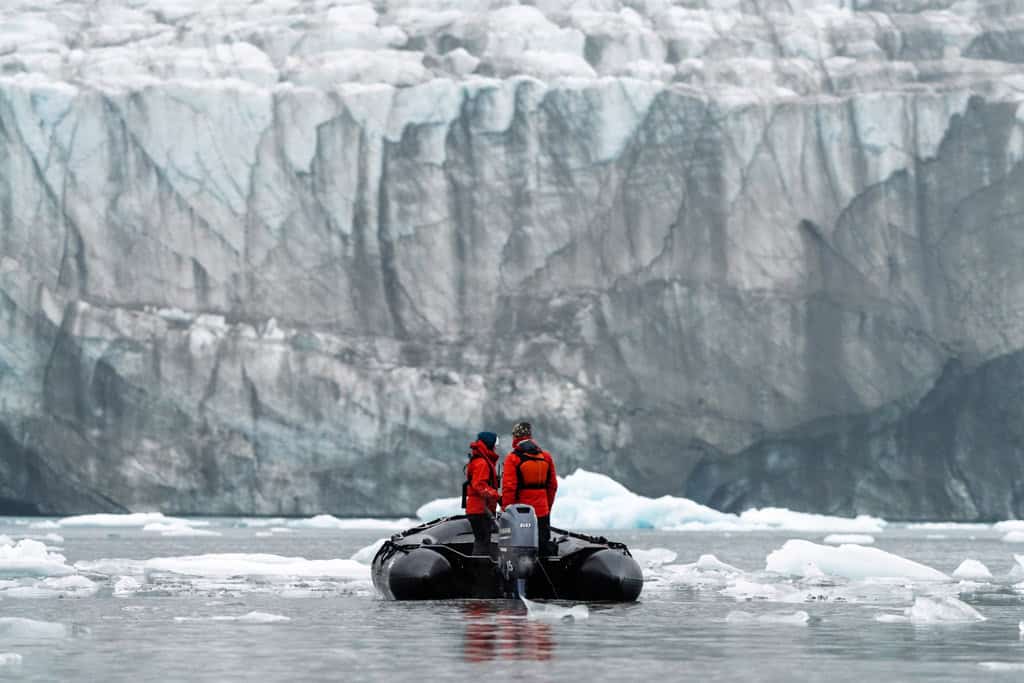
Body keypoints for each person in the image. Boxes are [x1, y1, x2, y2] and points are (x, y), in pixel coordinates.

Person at [500, 421, 558, 554]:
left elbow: (509, 488)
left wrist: (505, 511)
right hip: (542, 511)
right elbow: (552, 486)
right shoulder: (546, 457)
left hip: (521, 513)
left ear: (515, 436)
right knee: (543, 545)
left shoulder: (513, 458)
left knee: (521, 549)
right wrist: (547, 507)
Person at [462, 431, 501, 556]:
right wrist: (497, 497)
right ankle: (479, 566)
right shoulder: (482, 463)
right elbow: (479, 485)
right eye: (495, 444)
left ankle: (479, 564)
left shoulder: (479, 460)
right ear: (489, 444)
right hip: (481, 510)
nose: (495, 447)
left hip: (478, 509)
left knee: (481, 541)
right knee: (483, 543)